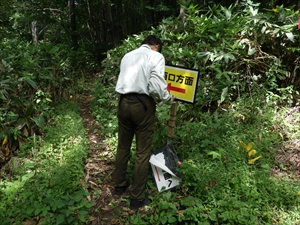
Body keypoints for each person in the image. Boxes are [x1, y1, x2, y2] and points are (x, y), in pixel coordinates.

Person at [114, 35, 174, 210]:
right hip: (142, 106)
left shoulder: (128, 55)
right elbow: (156, 84)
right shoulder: (156, 56)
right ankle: (137, 197)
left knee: (123, 146)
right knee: (142, 151)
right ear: (156, 45)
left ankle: (119, 185)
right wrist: (168, 99)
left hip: (123, 103)